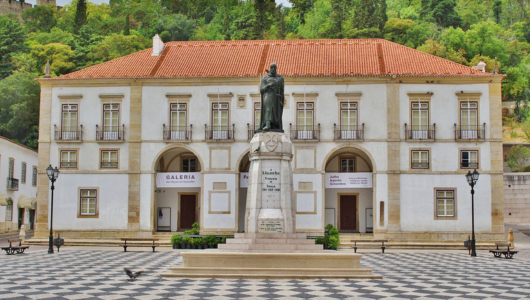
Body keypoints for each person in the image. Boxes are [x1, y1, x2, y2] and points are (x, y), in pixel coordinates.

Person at [258, 63, 284, 131]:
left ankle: (275, 125)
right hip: (268, 95)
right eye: (271, 67)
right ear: (270, 68)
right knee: (268, 109)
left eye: (274, 67)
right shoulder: (265, 77)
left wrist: (282, 101)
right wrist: (268, 85)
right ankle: (267, 124)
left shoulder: (280, 78)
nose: (273, 69)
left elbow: (282, 91)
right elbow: (261, 90)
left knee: (275, 113)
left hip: (276, 97)